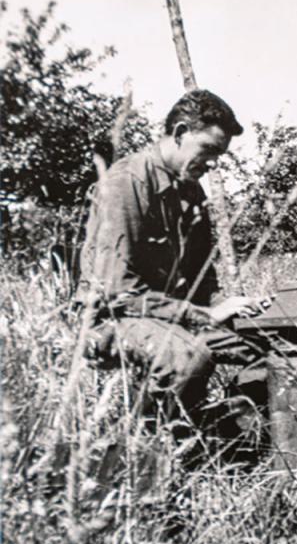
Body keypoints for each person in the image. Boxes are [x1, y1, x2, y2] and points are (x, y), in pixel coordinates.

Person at [77, 89, 265, 430]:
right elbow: (118, 292)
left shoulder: (192, 192)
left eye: (218, 156)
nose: (211, 165)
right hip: (109, 321)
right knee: (188, 357)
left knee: (265, 344)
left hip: (171, 318)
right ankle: (148, 448)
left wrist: (232, 305)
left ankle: (226, 430)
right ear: (180, 133)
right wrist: (202, 315)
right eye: (208, 151)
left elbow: (202, 280)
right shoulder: (126, 182)